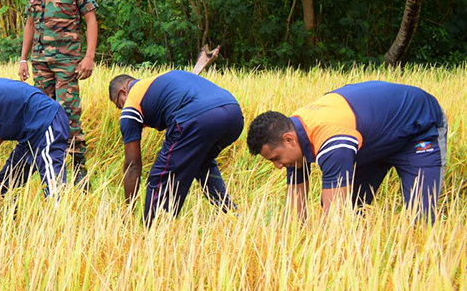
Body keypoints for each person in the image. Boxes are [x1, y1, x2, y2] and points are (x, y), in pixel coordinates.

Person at [246, 81, 448, 221]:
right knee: (352, 209)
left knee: (420, 218)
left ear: (288, 139)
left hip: (417, 129)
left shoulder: (331, 140)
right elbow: (295, 213)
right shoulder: (292, 135)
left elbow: (335, 218)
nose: (279, 166)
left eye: (276, 159)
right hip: (371, 139)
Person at [109, 70, 244, 228]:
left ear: (123, 93)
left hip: (198, 118)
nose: (121, 109)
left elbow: (133, 165)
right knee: (203, 164)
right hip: (234, 114)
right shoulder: (160, 81)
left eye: (118, 105)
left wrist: (128, 209)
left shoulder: (131, 103)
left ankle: (153, 233)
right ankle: (231, 214)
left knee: (160, 179)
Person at [18, 0, 98, 186]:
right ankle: (45, 162)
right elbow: (30, 24)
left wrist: (89, 57)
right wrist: (23, 59)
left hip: (67, 62)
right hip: (41, 63)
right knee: (40, 112)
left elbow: (90, 19)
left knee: (68, 113)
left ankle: (78, 169)